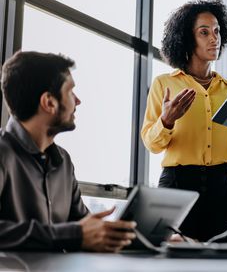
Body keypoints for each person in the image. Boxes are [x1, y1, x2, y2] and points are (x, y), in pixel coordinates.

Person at [141, 0, 227, 243]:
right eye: (204, 32)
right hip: (176, 188)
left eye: (217, 31)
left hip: (222, 192)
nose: (214, 38)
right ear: (187, 39)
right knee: (174, 262)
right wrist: (166, 121)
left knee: (221, 264)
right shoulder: (164, 85)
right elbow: (152, 143)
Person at [0, 51, 136, 252]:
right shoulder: (3, 153)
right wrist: (73, 235)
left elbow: (86, 226)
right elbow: (78, 233)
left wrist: (150, 239)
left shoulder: (63, 161)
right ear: (49, 102)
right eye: (71, 92)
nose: (78, 101)